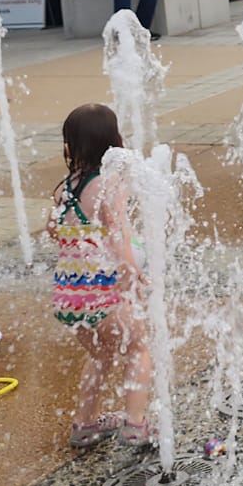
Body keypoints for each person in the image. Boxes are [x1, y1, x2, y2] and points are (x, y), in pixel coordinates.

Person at [49, 104, 153, 447]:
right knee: (138, 348)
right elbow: (119, 233)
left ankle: (85, 425)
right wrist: (132, 272)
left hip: (69, 295)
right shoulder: (107, 186)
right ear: (113, 144)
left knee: (100, 354)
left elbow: (54, 229)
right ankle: (136, 424)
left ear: (70, 147)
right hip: (101, 293)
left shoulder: (65, 188)